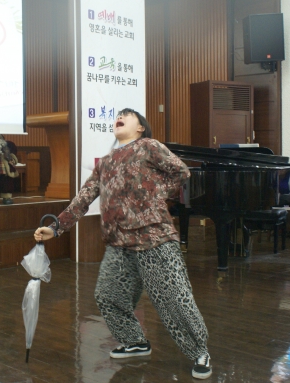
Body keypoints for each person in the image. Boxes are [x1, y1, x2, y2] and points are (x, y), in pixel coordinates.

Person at [34, 108, 212, 380]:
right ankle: (135, 341)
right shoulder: (105, 162)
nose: (120, 117)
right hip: (118, 243)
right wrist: (56, 227)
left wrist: (155, 195)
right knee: (108, 295)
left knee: (173, 300)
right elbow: (83, 198)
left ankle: (200, 351)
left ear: (140, 127)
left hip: (154, 237)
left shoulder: (148, 146)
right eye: (118, 115)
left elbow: (181, 172)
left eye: (127, 115)